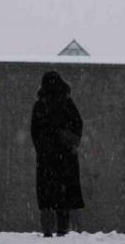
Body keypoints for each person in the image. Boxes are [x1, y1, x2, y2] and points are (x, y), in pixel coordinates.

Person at [30, 71, 84, 237]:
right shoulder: (67, 103)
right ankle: (62, 229)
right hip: (65, 157)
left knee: (46, 196)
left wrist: (42, 147)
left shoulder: (40, 104)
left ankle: (47, 230)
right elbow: (78, 124)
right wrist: (69, 141)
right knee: (63, 195)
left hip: (46, 158)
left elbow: (34, 131)